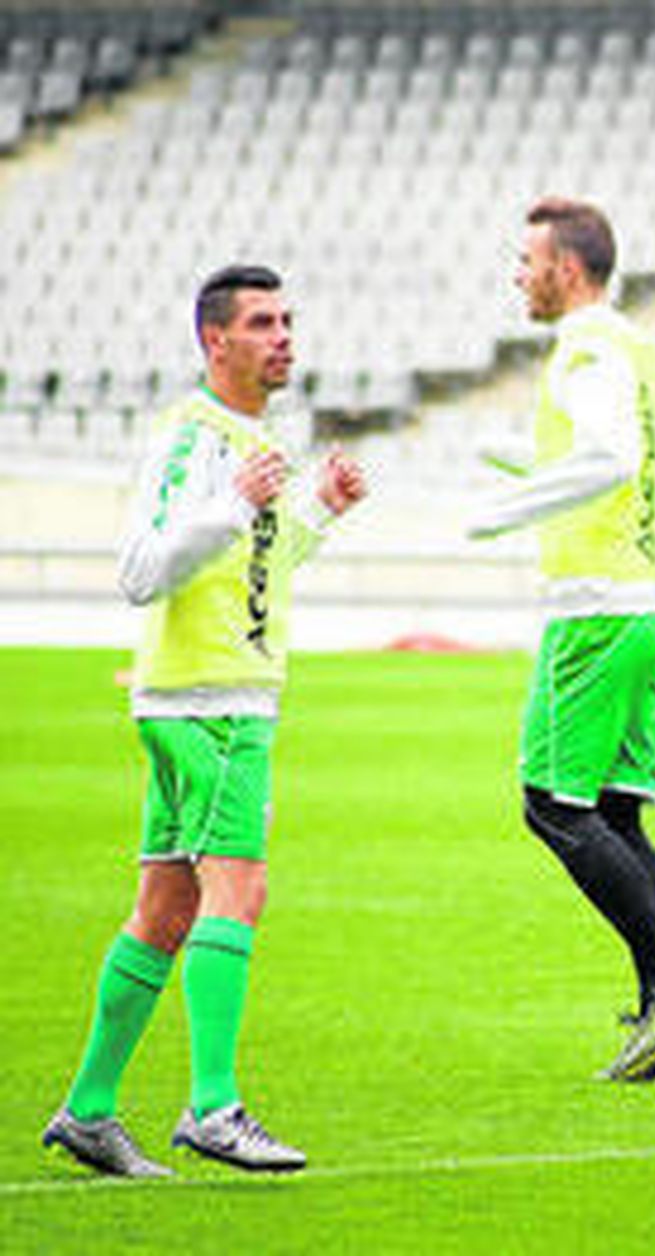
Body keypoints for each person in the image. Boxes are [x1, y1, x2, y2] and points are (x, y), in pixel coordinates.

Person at [42, 265, 368, 1178]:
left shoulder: (248, 440)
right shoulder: (193, 438)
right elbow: (142, 568)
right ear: (213, 340)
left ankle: (89, 1110)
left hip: (210, 695)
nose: (284, 337)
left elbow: (251, 568)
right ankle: (214, 1107)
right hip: (212, 705)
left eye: (289, 320)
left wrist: (319, 513)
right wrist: (237, 504)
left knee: (165, 909)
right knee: (240, 892)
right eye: (263, 322)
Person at [467, 197, 655, 1082]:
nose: (518, 274)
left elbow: (609, 460)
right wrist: (518, 458)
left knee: (551, 804)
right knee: (615, 811)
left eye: (526, 258)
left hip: (600, 608)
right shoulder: (634, 348)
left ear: (566, 268)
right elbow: (615, 458)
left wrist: (506, 511)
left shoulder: (585, 347)